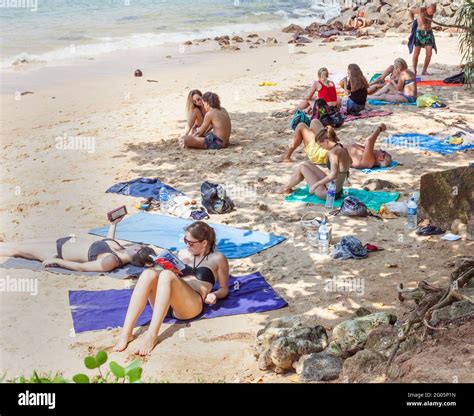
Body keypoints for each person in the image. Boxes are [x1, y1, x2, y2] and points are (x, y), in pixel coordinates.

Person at [114, 221, 229, 355]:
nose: (187, 245)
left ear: (204, 243)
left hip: (190, 305)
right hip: (167, 303)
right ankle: (126, 333)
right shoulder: (182, 253)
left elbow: (224, 289)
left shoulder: (218, 258)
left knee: (167, 275)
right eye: (185, 240)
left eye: (191, 243)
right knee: (147, 274)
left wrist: (215, 294)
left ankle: (151, 336)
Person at [0, 215, 155, 272]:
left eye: (140, 247)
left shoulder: (110, 261)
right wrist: (114, 224)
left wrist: (56, 261)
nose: (137, 245)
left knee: (16, 249)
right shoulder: (120, 249)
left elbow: (81, 267)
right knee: (19, 244)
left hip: (56, 251)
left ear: (136, 253)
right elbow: (108, 240)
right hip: (62, 241)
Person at [273, 120, 351, 199]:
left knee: (302, 167)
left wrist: (315, 185)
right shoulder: (342, 147)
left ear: (326, 141)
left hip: (329, 193)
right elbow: (349, 163)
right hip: (337, 190)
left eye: (321, 145)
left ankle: (285, 188)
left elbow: (333, 175)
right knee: (307, 164)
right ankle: (286, 187)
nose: (322, 147)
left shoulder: (333, 153)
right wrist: (344, 176)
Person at [410, 3, 437, 75]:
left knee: (429, 54)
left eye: (433, 12)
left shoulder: (432, 12)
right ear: (427, 8)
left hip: (428, 33)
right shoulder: (421, 10)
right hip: (419, 33)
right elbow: (411, 11)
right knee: (416, 53)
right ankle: (414, 70)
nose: (432, 13)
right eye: (431, 11)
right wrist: (413, 21)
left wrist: (431, 13)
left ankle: (424, 70)